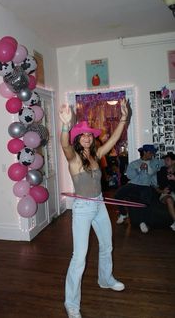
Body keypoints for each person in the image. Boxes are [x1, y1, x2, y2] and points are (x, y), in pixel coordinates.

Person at [59, 99, 128, 318]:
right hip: (82, 208)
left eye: (90, 134)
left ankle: (105, 279)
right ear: (77, 138)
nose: (88, 137)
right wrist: (64, 126)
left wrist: (124, 116)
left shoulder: (97, 156)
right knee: (79, 258)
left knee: (107, 245)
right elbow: (64, 146)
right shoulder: (74, 158)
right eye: (83, 134)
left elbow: (115, 138)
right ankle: (71, 303)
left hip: (99, 204)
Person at [115, 144, 164, 233]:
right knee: (118, 194)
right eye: (150, 153)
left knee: (145, 200)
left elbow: (163, 164)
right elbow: (130, 176)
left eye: (153, 153)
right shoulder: (134, 163)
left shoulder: (155, 162)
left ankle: (142, 222)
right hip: (133, 184)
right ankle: (123, 214)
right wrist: (138, 169)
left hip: (146, 185)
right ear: (144, 152)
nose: (152, 155)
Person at [156, 152, 175, 231]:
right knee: (169, 199)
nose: (165, 162)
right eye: (165, 160)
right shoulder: (162, 171)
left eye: (167, 160)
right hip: (166, 194)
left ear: (174, 161)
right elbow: (158, 186)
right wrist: (162, 191)